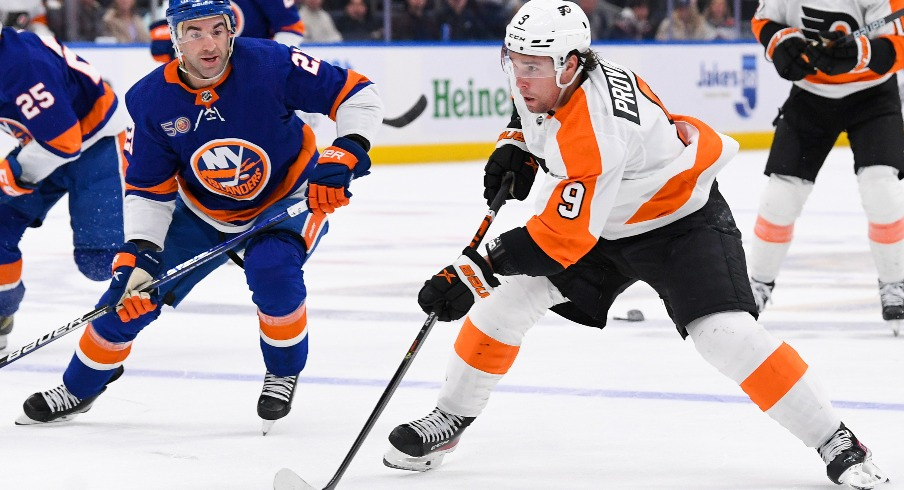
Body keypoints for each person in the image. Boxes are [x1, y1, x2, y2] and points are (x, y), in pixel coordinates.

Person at [382, 1, 888, 488]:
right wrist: (514, 145)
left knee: (725, 335)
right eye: (514, 63)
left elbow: (559, 238)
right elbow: (528, 114)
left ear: (570, 65)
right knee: (502, 309)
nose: (520, 78)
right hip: (606, 220)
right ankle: (450, 416)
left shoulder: (596, 128)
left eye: (532, 67)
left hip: (678, 223)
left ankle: (835, 439)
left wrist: (472, 272)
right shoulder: (557, 75)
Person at [16, 0, 383, 434]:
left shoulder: (270, 62)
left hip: (287, 198)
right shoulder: (151, 99)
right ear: (174, 38)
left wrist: (347, 151)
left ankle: (283, 370)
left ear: (232, 29)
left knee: (273, 272)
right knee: (128, 298)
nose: (209, 44)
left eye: (218, 29)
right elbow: (148, 189)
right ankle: (79, 388)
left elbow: (357, 93)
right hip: (201, 211)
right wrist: (142, 250)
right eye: (194, 32)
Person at [748, 1, 904, 327]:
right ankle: (757, 285)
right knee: (781, 196)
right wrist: (781, 43)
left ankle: (896, 284)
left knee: (882, 190)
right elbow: (763, 21)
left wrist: (861, 53)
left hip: (872, 95)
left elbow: (898, 46)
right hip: (810, 96)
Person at [0, 26, 129, 350]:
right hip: (42, 145)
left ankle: (186, 218)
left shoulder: (20, 65)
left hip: (96, 146)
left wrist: (13, 172)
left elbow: (63, 142)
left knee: (100, 263)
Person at [150, 0, 307, 63]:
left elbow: (291, 28)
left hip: (255, 78)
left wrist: (269, 66)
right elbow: (162, 48)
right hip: (203, 80)